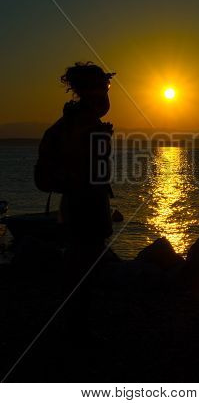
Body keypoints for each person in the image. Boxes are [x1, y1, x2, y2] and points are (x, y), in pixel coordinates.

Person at [35, 61, 115, 340]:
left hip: (76, 207)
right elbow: (94, 175)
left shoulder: (69, 124)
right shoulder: (84, 127)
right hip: (85, 208)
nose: (107, 94)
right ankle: (77, 332)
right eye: (105, 88)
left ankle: (76, 327)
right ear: (92, 92)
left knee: (79, 267)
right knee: (83, 269)